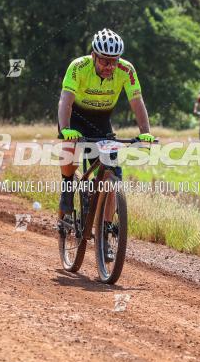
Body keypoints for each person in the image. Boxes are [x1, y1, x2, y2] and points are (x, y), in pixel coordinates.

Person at [57, 29, 154, 222]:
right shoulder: (78, 66)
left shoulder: (126, 70)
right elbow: (65, 101)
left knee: (112, 176)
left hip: (101, 122)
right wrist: (65, 129)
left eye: (114, 60)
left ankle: (107, 228)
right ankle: (67, 187)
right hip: (75, 119)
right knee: (70, 149)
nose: (110, 66)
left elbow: (136, 101)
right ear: (93, 55)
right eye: (104, 60)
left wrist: (145, 133)